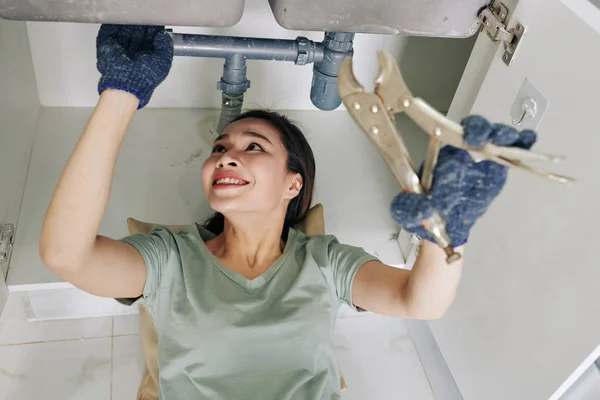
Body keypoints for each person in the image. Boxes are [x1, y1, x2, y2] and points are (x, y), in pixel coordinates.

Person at [39, 25, 536, 399]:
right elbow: (67, 255)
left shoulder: (324, 261)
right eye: (220, 147)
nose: (225, 155)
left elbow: (418, 302)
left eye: (253, 147)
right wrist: (122, 94)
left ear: (292, 182)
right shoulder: (170, 259)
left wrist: (448, 232)